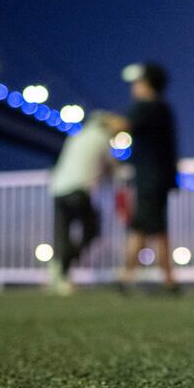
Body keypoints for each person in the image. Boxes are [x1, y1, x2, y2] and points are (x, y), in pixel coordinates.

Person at [108, 62, 179, 293]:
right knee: (148, 225)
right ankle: (134, 277)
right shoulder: (164, 109)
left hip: (149, 177)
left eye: (137, 82)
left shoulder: (144, 106)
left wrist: (100, 120)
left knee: (151, 228)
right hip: (162, 176)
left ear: (146, 84)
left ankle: (163, 280)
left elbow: (121, 126)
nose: (134, 87)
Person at [48, 111, 117, 295]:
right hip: (78, 190)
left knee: (62, 233)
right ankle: (64, 264)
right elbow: (111, 167)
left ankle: (59, 272)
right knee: (92, 230)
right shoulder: (102, 138)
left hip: (57, 189)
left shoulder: (76, 136)